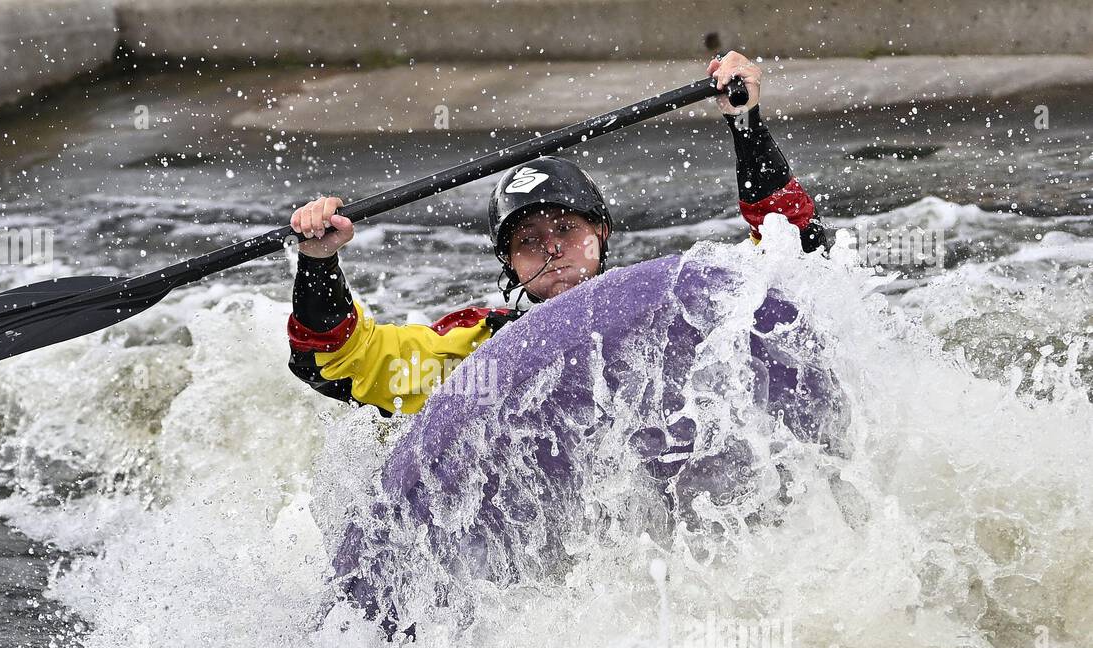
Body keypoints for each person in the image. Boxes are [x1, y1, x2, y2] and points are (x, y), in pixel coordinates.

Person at [286, 52, 830, 415]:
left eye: (568, 229)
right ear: (510, 267)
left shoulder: (671, 305)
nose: (552, 249)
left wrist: (746, 121)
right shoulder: (472, 356)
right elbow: (340, 362)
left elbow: (791, 253)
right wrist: (318, 260)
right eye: (527, 242)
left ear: (602, 234)